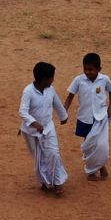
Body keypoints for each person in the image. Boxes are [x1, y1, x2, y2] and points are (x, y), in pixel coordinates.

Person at [63, 52, 111, 181]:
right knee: (88, 144)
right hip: (84, 118)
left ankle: (101, 166)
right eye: (85, 69)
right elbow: (70, 96)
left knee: (101, 145)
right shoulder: (78, 80)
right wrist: (64, 111)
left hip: (100, 118)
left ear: (99, 69)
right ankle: (92, 170)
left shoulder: (104, 79)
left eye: (91, 69)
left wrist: (110, 108)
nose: (87, 72)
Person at [18, 61, 69, 195]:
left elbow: (57, 104)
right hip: (30, 132)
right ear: (44, 79)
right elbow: (22, 111)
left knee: (53, 154)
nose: (53, 80)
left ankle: (58, 184)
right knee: (39, 158)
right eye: (52, 77)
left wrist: (63, 116)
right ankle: (46, 183)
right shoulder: (28, 91)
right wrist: (34, 123)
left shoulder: (50, 90)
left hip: (48, 128)